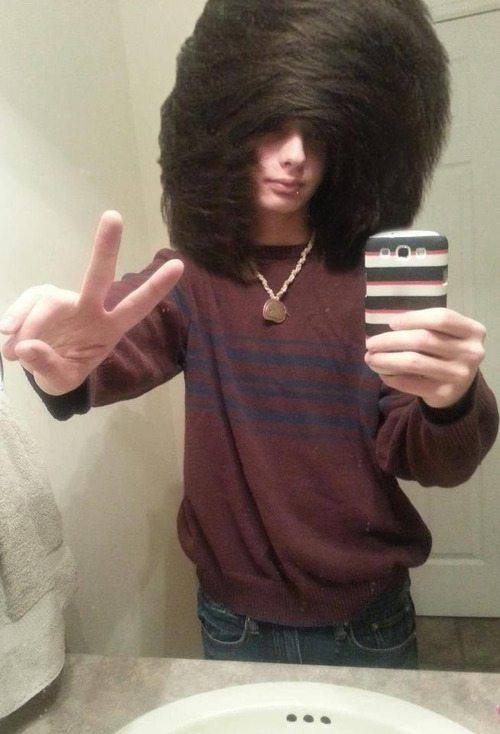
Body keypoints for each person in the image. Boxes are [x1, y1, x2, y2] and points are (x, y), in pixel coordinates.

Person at [1, 0, 498, 669]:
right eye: (270, 125)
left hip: (370, 618)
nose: (294, 156)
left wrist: (453, 400)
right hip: (234, 620)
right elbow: (115, 337)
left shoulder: (370, 282)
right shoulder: (190, 277)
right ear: (225, 122)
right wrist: (62, 365)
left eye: (317, 133)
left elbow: (433, 459)